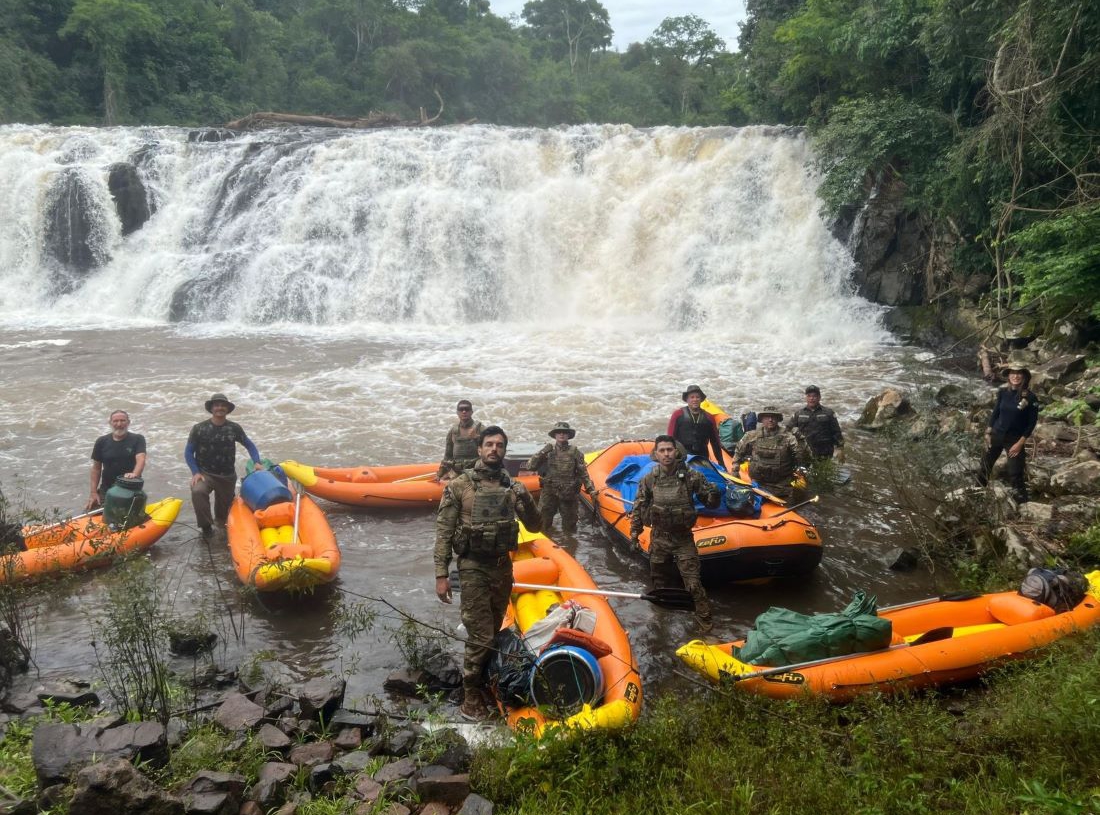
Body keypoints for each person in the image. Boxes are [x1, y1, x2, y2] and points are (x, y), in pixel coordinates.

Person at [433, 426, 541, 721]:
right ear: (479, 449)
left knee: (492, 629)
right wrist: (441, 575)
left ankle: (483, 679)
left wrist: (524, 496)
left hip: (501, 567)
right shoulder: (460, 486)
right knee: (481, 633)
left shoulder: (512, 487)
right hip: (472, 567)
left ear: (505, 451)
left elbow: (535, 524)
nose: (495, 449)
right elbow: (443, 533)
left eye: (500, 445)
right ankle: (470, 697)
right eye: (489, 444)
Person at [629, 435, 721, 633]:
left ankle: (705, 625)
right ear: (656, 454)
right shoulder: (650, 478)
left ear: (676, 452)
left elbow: (710, 502)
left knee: (693, 584)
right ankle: (660, 619)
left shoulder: (691, 476)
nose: (666, 454)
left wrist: (714, 494)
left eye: (669, 450)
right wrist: (634, 535)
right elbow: (639, 506)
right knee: (659, 581)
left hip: (683, 539)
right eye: (662, 450)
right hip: (659, 538)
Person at [184, 393, 264, 539]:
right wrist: (195, 472)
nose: (220, 408)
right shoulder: (199, 428)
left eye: (223, 405)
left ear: (227, 409)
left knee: (223, 517)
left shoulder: (234, 428)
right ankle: (206, 528)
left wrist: (257, 462)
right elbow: (188, 452)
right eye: (216, 405)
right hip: (205, 473)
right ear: (211, 408)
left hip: (227, 476)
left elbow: (249, 445)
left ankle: (221, 533)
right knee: (198, 491)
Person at [524, 421, 598, 536]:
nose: (562, 434)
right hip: (549, 493)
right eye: (559, 432)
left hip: (568, 494)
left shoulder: (575, 452)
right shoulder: (548, 451)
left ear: (569, 435)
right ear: (554, 435)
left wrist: (590, 488)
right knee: (543, 524)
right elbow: (530, 466)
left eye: (565, 432)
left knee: (570, 528)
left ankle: (569, 547)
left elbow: (583, 473)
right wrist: (543, 452)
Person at [978, 365, 1039, 503]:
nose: (1015, 376)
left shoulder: (1031, 397)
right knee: (984, 467)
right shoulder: (1003, 392)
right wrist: (988, 431)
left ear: (1024, 376)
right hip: (996, 434)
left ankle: (1022, 504)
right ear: (1009, 376)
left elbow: (1032, 423)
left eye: (1019, 374)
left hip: (1015, 439)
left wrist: (1020, 443)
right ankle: (976, 495)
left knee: (1015, 473)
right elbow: (996, 412)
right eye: (1013, 373)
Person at [733, 406, 812, 501]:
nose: (770, 420)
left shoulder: (788, 437)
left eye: (773, 417)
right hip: (758, 484)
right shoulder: (751, 436)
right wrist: (735, 472)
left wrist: (801, 440)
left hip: (782, 486)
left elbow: (804, 458)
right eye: (767, 417)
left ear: (778, 419)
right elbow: (738, 452)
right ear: (762, 419)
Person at [85, 410, 147, 511]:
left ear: (128, 422)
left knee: (126, 519)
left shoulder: (138, 439)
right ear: (110, 423)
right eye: (115, 421)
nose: (119, 424)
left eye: (123, 421)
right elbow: (96, 469)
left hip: (130, 488)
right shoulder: (101, 441)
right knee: (90, 512)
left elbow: (141, 459)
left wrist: (134, 474)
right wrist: (93, 492)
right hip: (107, 489)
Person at [667, 384, 726, 468]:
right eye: (692, 397)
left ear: (701, 399)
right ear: (687, 399)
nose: (695, 399)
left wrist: (721, 463)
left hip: (702, 456)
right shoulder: (677, 415)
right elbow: (670, 438)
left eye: (697, 397)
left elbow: (715, 442)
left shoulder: (709, 418)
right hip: (682, 456)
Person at [787, 386, 845, 463]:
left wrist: (840, 449)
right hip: (804, 451)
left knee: (823, 474)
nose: (812, 398)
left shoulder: (828, 413)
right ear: (806, 398)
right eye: (809, 396)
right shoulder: (798, 414)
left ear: (819, 397)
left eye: (814, 396)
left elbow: (836, 432)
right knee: (803, 473)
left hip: (825, 451)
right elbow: (788, 430)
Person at [434, 400, 484, 481]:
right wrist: (440, 473)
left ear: (471, 412)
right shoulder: (453, 431)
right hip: (457, 472)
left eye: (467, 409)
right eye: (461, 409)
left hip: (475, 472)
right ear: (457, 412)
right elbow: (448, 455)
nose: (464, 412)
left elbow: (490, 447)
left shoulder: (479, 428)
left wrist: (477, 437)